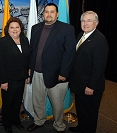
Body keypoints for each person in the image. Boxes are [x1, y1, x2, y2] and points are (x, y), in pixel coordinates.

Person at [27, 3, 76, 133]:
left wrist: (64, 73)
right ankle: (39, 121)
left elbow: (69, 53)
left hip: (57, 75)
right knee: (37, 100)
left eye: (52, 12)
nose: (49, 14)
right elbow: (33, 50)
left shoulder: (67, 29)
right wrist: (30, 69)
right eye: (46, 12)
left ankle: (59, 125)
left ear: (57, 14)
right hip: (37, 73)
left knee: (57, 104)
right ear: (43, 14)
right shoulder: (36, 28)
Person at [69, 11, 109, 133]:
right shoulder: (81, 35)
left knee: (89, 114)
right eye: (83, 20)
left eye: (89, 20)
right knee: (81, 110)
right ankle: (81, 128)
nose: (85, 23)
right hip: (79, 83)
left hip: (90, 86)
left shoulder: (99, 40)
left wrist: (91, 86)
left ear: (96, 23)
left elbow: (99, 67)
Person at [0, 17, 30, 133]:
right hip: (8, 80)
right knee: (8, 103)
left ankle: (16, 120)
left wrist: (27, 74)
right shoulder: (2, 42)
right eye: (12, 27)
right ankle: (7, 123)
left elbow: (27, 59)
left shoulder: (25, 40)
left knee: (17, 102)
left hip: (21, 78)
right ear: (8, 29)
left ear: (21, 28)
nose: (15, 30)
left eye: (17, 27)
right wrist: (3, 81)